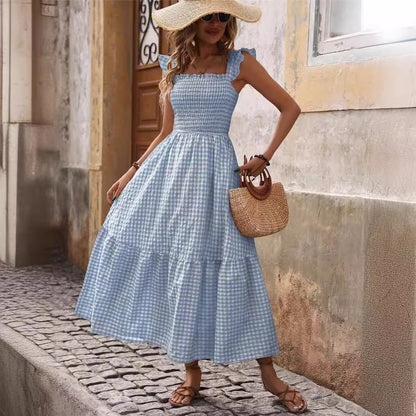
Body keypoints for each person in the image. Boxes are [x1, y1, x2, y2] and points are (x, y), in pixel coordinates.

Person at [74, 0, 306, 413]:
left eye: (222, 17)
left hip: (217, 178)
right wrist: (130, 173)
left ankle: (269, 376)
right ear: (191, 23)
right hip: (172, 179)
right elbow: (166, 132)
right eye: (207, 16)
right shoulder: (172, 67)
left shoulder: (239, 64)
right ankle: (191, 373)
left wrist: (264, 157)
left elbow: (290, 107)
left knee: (236, 267)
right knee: (181, 267)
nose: (216, 24)